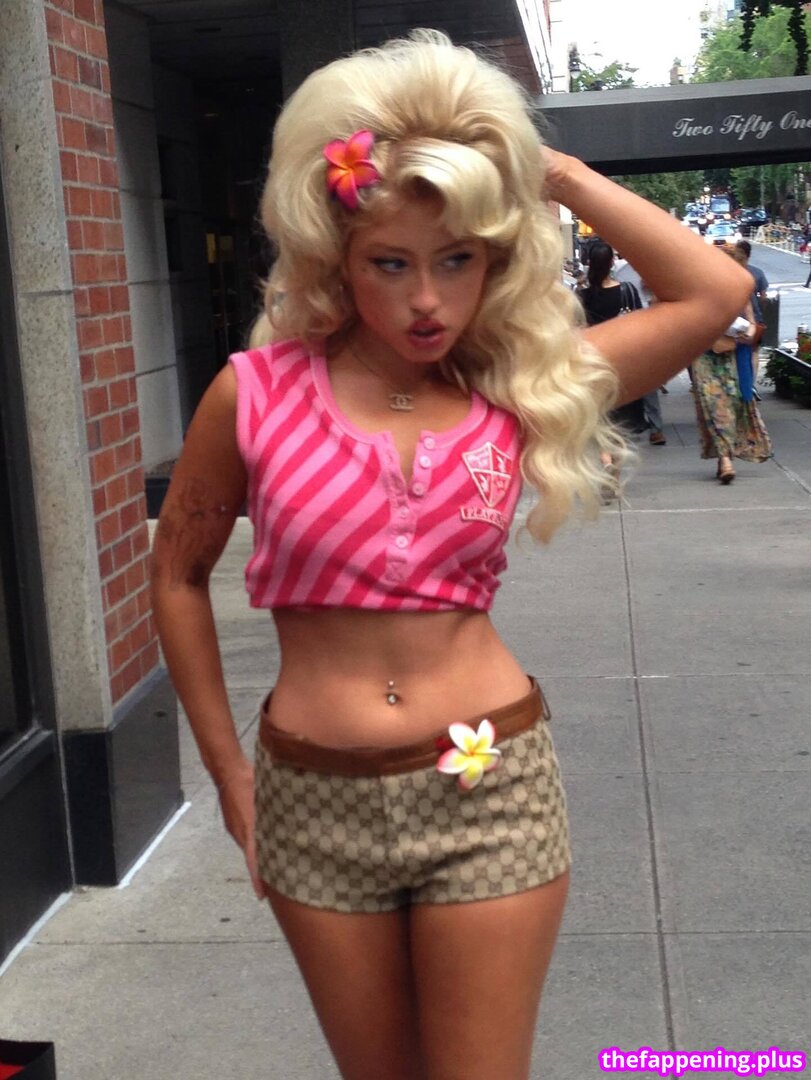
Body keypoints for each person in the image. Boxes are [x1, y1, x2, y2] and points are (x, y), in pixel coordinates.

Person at [150, 30, 751, 1080]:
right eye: (391, 263)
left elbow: (713, 292)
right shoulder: (252, 395)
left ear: (495, 257)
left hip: (489, 784)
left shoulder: (517, 390)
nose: (426, 300)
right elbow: (176, 576)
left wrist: (543, 168)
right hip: (312, 796)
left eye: (456, 260)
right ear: (339, 257)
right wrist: (230, 778)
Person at [692, 246, 772, 485]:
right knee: (713, 405)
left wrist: (749, 333)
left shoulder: (740, 291)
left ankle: (724, 458)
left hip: (732, 354)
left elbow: (751, 320)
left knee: (729, 405)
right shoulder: (699, 289)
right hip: (704, 354)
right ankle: (725, 459)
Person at [576, 242, 649, 489]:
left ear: (589, 263)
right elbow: (641, 325)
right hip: (624, 363)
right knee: (620, 420)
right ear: (611, 263)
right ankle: (614, 474)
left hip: (595, 363)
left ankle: (605, 459)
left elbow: (577, 331)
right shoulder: (627, 291)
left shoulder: (583, 295)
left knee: (599, 418)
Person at [735, 239, 768, 398]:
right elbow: (763, 296)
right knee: (754, 352)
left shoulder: (728, 273)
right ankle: (751, 384)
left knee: (736, 353)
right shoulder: (757, 273)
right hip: (753, 318)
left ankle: (742, 386)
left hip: (733, 322)